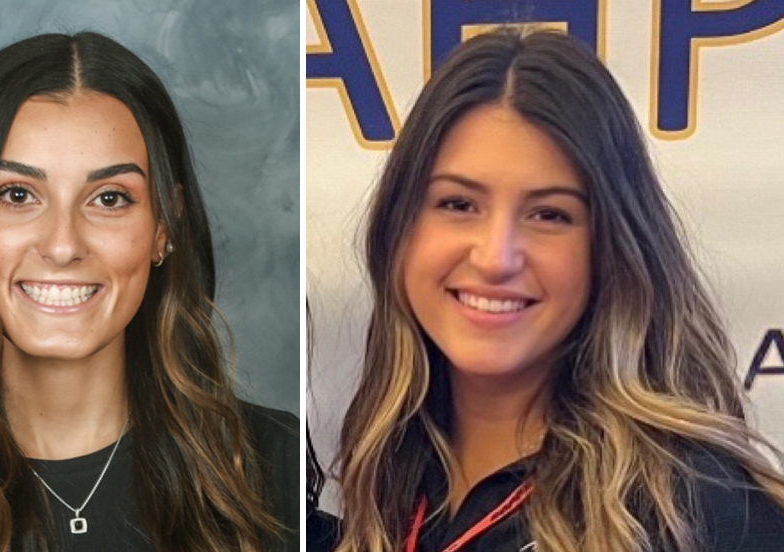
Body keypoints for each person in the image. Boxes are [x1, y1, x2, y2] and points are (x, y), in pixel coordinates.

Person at [0, 32, 297, 552]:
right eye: (17, 195)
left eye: (109, 198)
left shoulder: (279, 471)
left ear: (164, 227)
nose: (62, 245)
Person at [325, 29, 784, 552]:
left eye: (550, 214)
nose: (496, 257)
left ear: (612, 247)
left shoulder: (701, 511)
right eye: (458, 204)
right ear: (398, 227)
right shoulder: (391, 482)